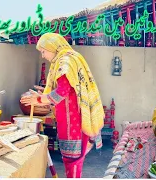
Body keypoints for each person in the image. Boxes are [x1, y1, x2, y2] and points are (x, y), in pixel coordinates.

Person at [20, 33, 105, 178]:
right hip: (79, 119)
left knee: (72, 162)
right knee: (76, 162)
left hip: (72, 123)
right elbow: (70, 89)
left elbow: (62, 92)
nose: (43, 56)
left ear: (52, 48)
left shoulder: (64, 62)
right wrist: (45, 94)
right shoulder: (74, 58)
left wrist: (39, 100)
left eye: (43, 51)